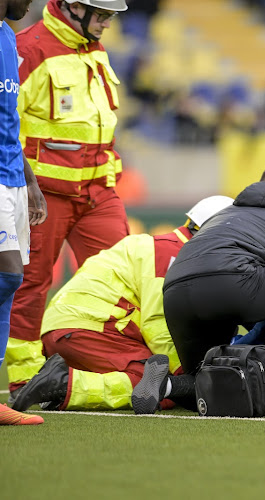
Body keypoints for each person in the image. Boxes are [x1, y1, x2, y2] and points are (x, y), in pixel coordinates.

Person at [6, 0, 130, 397]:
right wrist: (23, 187)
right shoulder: (28, 49)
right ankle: (25, 378)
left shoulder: (94, 49)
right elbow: (9, 123)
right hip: (45, 195)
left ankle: (108, 358)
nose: (108, 23)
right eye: (103, 14)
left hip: (99, 193)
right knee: (30, 283)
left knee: (124, 278)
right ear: (74, 7)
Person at [10, 196, 234, 413]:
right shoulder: (174, 255)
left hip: (72, 329)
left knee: (159, 382)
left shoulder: (165, 246)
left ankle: (60, 382)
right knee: (156, 385)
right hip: (90, 330)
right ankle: (62, 386)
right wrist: (184, 372)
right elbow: (158, 325)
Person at [160, 165, 265, 406]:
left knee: (204, 378)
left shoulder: (219, 217)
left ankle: (165, 385)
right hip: (232, 284)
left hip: (175, 291)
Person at [0, 0, 48, 426]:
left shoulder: (7, 37)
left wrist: (28, 180)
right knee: (8, 275)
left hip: (13, 179)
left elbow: (8, 120)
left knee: (9, 283)